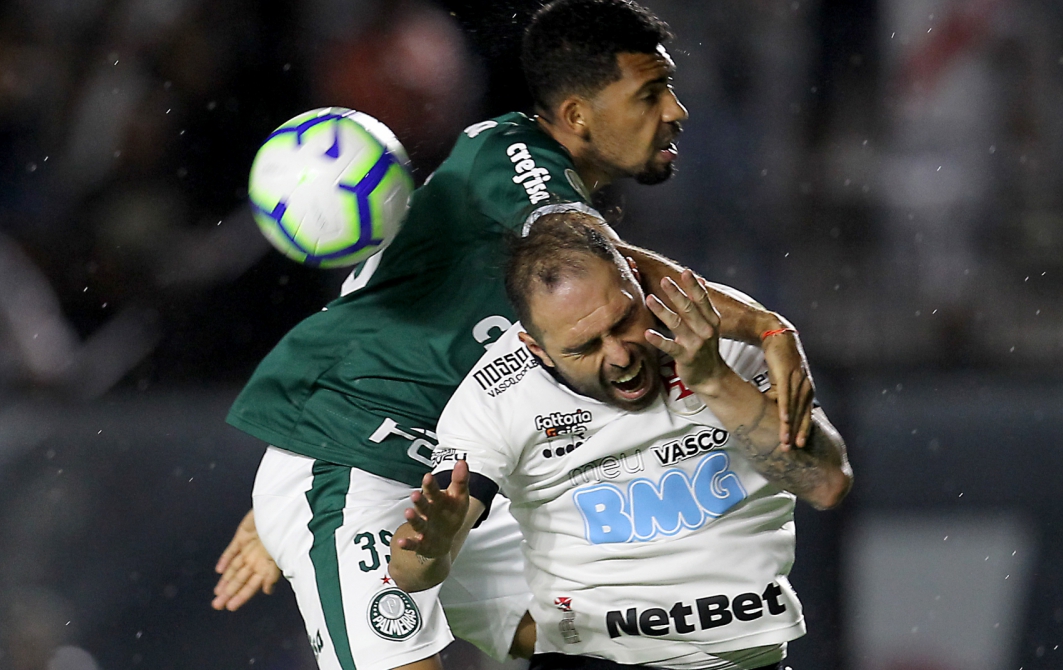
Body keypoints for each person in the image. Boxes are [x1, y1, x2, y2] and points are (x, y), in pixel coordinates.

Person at [212, 2, 818, 670]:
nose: (674, 111)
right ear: (579, 113)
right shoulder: (511, 156)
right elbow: (606, 263)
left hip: (460, 479)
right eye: (647, 94)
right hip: (358, 465)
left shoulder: (563, 250)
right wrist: (765, 324)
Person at [389, 216, 852, 670]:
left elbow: (826, 483)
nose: (619, 354)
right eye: (585, 347)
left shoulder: (719, 336)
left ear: (637, 282)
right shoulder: (494, 396)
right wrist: (432, 545)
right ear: (536, 349)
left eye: (624, 320)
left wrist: (714, 381)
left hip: (750, 661)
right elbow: (411, 572)